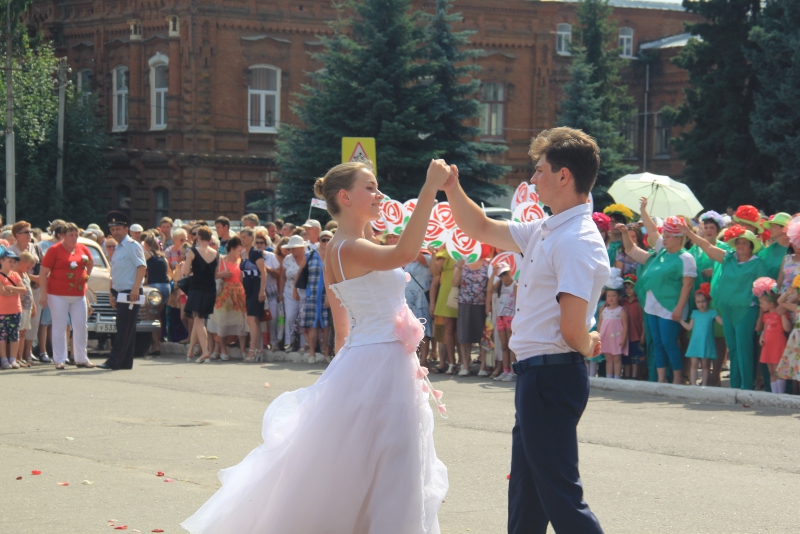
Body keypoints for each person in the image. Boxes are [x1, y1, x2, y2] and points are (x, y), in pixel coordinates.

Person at [182, 159, 450, 533]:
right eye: (370, 187)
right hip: (379, 364)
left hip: (372, 361)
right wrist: (428, 189)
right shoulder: (348, 246)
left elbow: (341, 318)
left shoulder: (343, 246)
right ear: (345, 196)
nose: (378, 194)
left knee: (375, 466)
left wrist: (345, 368)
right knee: (392, 468)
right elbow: (404, 254)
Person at [443, 127, 606, 533]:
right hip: (539, 374)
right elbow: (481, 227)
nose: (533, 180)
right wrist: (452, 187)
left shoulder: (575, 239)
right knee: (527, 498)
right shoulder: (549, 229)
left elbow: (572, 328)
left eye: (540, 170)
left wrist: (589, 345)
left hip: (552, 373)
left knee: (561, 497)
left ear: (564, 176)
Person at [681, 222, 768, 390]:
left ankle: (746, 387)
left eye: (745, 243)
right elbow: (706, 246)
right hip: (727, 309)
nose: (741, 246)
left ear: (751, 246)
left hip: (746, 310)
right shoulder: (728, 258)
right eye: (738, 242)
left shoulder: (758, 264)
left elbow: (763, 292)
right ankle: (735, 386)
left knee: (744, 349)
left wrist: (760, 319)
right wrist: (688, 233)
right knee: (733, 348)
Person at [619, 218, 697, 384]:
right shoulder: (661, 252)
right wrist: (643, 211)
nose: (665, 239)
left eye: (669, 236)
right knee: (657, 344)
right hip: (652, 306)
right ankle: (661, 379)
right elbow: (652, 230)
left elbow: (687, 286)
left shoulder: (686, 258)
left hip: (670, 307)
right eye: (665, 235)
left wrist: (679, 309)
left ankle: (677, 378)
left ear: (678, 238)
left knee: (669, 343)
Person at [38, 223, 95, 370]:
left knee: (81, 325)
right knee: (59, 326)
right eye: (71, 235)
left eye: (76, 235)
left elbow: (90, 262)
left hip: (78, 294)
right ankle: (60, 359)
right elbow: (43, 273)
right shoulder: (54, 250)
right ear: (62, 236)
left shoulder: (83, 248)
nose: (74, 238)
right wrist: (43, 294)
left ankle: (81, 358)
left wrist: (85, 277)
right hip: (57, 294)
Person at [99, 212, 147, 370]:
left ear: (126, 229)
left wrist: (135, 288)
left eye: (118, 229)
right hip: (120, 292)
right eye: (112, 230)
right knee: (127, 329)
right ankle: (125, 362)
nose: (115, 232)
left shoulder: (132, 245)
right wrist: (112, 293)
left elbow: (141, 267)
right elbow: (116, 272)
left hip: (130, 292)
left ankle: (114, 361)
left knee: (123, 329)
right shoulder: (118, 248)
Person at [207, 236, 248, 361]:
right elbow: (211, 275)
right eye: (238, 251)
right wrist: (221, 274)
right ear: (232, 249)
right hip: (224, 295)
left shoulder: (241, 261)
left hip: (239, 295)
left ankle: (243, 350)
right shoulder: (221, 260)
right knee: (222, 323)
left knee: (241, 322)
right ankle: (222, 349)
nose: (240, 254)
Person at [183, 227, 219, 363]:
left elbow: (186, 272)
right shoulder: (216, 253)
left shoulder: (192, 251)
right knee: (200, 320)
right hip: (210, 289)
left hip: (197, 288)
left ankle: (205, 351)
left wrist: (194, 268)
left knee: (198, 321)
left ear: (198, 237)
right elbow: (215, 275)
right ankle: (191, 351)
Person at [452, 253, 491, 377]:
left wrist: (489, 305)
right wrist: (459, 267)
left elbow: (490, 285)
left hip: (482, 304)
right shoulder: (461, 262)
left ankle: (483, 367)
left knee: (483, 336)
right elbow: (454, 283)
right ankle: (465, 365)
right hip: (465, 302)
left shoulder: (488, 263)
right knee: (464, 335)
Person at [10, 221, 42, 364]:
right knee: (18, 327)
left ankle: (27, 354)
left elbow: (41, 265)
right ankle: (16, 356)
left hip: (33, 289)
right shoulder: (11, 250)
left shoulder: (35, 247)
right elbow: (10, 272)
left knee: (33, 322)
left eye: (30, 232)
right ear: (17, 235)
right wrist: (32, 277)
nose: (30, 234)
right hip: (17, 291)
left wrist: (38, 279)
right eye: (27, 232)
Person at [753, 277, 790, 394]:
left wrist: (783, 314)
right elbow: (765, 329)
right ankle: (774, 395)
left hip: (778, 344)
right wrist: (762, 337)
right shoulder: (766, 316)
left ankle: (781, 394)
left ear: (770, 303)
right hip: (768, 345)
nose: (760, 306)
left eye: (762, 303)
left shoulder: (780, 314)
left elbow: (787, 328)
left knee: (778, 370)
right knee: (771, 371)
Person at [680, 283, 722, 386]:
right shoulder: (694, 313)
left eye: (703, 301)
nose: (701, 304)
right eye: (698, 302)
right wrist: (679, 321)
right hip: (695, 342)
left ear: (708, 301)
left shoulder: (713, 313)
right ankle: (693, 384)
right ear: (695, 302)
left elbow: (722, 323)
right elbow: (689, 327)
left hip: (706, 343)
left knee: (705, 364)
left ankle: (704, 385)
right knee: (694, 364)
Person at [299, 230, 331, 364]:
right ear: (319, 240)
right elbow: (300, 272)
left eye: (329, 240)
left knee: (327, 326)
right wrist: (296, 290)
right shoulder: (310, 255)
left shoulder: (334, 256)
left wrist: (330, 297)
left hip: (327, 295)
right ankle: (312, 353)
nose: (326, 242)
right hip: (312, 295)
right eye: (324, 239)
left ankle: (326, 353)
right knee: (313, 325)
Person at [405, 247, 434, 366]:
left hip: (421, 300)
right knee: (411, 330)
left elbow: (418, 256)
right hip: (409, 301)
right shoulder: (409, 263)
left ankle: (424, 359)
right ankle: (414, 358)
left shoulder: (428, 258)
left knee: (423, 329)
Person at [597, 269, 628, 379]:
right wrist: (599, 338)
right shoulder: (603, 310)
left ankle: (617, 378)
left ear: (619, 297)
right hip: (606, 338)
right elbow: (600, 325)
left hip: (617, 338)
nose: (610, 298)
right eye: (608, 296)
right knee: (609, 359)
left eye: (613, 295)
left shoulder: (621, 310)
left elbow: (625, 326)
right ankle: (609, 377)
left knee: (617, 359)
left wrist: (623, 339)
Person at [0, 247, 27, 369]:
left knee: (14, 335)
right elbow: (2, 292)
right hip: (2, 310)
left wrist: (10, 288)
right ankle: (4, 359)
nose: (12, 264)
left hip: (16, 310)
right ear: (2, 261)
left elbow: (23, 290)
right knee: (2, 335)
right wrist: (15, 290)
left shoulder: (15, 274)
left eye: (13, 261)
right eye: (9, 261)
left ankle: (13, 359)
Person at [143, 233, 170, 355]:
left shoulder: (147, 254)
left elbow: (140, 268)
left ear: (147, 244)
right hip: (166, 287)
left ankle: (155, 346)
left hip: (155, 287)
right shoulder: (163, 257)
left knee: (152, 317)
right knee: (158, 316)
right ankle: (156, 342)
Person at [491, 261, 517, 381]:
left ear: (510, 272)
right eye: (501, 275)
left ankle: (512, 371)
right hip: (500, 317)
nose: (504, 277)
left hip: (510, 318)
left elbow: (518, 303)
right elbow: (489, 289)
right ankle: (505, 370)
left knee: (511, 346)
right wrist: (493, 274)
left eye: (505, 274)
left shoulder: (515, 285)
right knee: (504, 345)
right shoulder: (500, 284)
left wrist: (516, 320)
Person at [280, 235, 306, 352]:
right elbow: (282, 276)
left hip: (305, 292)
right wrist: (281, 293)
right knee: (290, 317)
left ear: (302, 247)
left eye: (295, 247)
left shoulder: (309, 257)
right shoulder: (287, 259)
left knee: (304, 318)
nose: (292, 250)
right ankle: (289, 342)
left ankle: (303, 344)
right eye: (291, 248)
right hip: (289, 292)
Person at [14, 252, 37, 367]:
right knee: (18, 332)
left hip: (28, 307)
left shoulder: (25, 274)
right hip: (20, 307)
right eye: (28, 267)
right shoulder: (15, 274)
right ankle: (16, 357)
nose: (28, 269)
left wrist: (34, 305)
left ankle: (21, 357)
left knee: (23, 332)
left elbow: (29, 290)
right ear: (21, 263)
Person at [776, 279, 800, 386]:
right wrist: (787, 293)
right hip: (796, 343)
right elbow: (780, 302)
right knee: (796, 366)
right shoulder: (797, 308)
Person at [621, 274, 645, 380]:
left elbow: (642, 320)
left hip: (636, 334)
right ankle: (626, 375)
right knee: (626, 357)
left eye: (631, 287)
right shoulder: (622, 302)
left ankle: (634, 376)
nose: (628, 290)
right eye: (626, 288)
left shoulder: (638, 303)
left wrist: (643, 334)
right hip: (624, 336)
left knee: (636, 357)